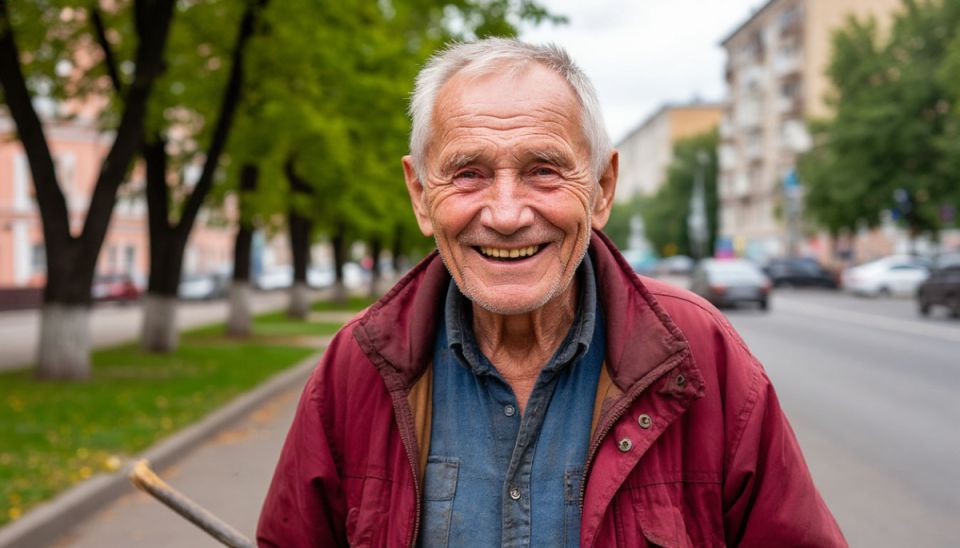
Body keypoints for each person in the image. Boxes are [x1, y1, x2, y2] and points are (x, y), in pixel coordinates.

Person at [257, 38, 845, 547]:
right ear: (419, 195)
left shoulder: (700, 357)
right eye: (469, 173)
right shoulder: (357, 368)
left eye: (543, 169)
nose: (507, 214)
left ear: (602, 188)